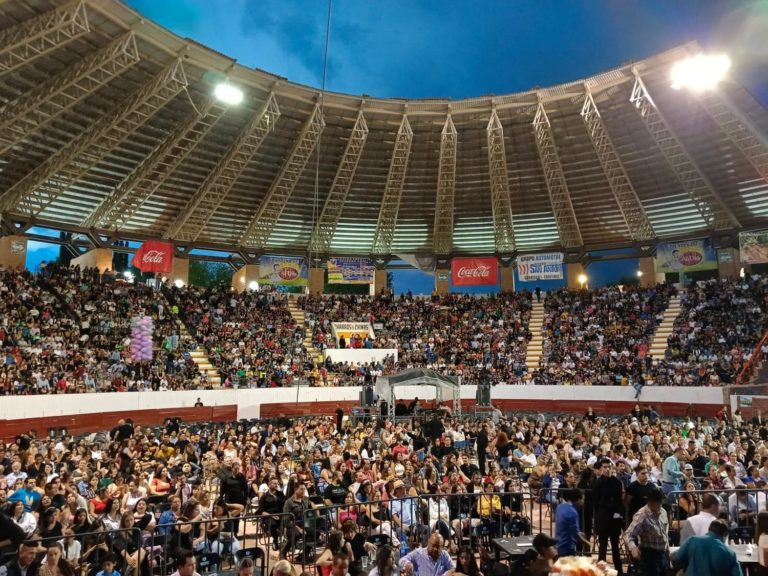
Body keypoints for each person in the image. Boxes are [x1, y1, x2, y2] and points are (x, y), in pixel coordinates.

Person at [623, 489, 670, 576]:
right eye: (658, 503)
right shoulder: (642, 515)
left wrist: (668, 556)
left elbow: (665, 536)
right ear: (651, 503)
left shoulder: (663, 512)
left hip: (663, 554)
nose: (660, 505)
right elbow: (628, 534)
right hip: (649, 556)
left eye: (660, 503)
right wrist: (633, 548)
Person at [674, 519, 742, 576]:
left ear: (709, 530)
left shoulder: (692, 540)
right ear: (725, 535)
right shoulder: (730, 553)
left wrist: (687, 568)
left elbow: (677, 558)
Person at [592, 459, 624, 576]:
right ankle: (600, 572)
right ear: (601, 468)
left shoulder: (617, 482)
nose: (607, 469)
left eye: (609, 467)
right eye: (605, 467)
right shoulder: (597, 482)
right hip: (603, 516)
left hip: (614, 517)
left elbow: (619, 502)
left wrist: (618, 516)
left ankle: (619, 571)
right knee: (603, 547)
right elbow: (596, 502)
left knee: (616, 547)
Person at [554, 489, 582, 558]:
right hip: (568, 546)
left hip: (558, 542)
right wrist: (585, 541)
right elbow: (575, 532)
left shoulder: (560, 507)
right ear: (578, 500)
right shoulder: (573, 512)